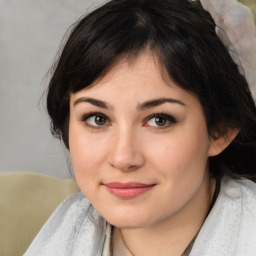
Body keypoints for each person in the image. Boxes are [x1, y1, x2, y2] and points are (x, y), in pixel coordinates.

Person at [24, 0, 256, 255]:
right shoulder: (58, 237)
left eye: (159, 120)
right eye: (98, 119)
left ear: (220, 131)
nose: (123, 158)